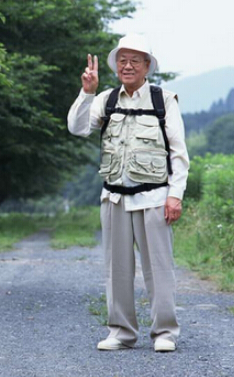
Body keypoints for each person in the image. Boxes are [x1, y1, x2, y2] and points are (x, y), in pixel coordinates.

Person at [67, 34, 189, 352]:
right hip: (114, 199)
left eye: (136, 60)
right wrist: (86, 92)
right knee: (116, 268)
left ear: (147, 66)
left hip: (154, 199)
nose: (128, 65)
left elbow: (178, 154)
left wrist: (175, 195)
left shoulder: (164, 100)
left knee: (159, 268)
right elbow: (77, 128)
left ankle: (164, 333)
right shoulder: (105, 100)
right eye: (123, 59)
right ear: (116, 65)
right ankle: (121, 331)